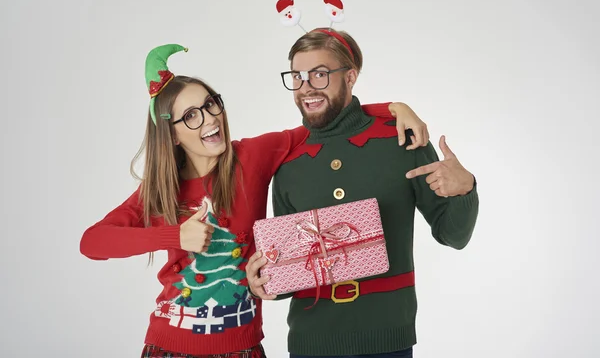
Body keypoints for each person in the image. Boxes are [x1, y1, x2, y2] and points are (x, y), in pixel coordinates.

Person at [79, 43, 432, 358]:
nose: (210, 119)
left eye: (210, 104)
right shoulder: (160, 192)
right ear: (170, 133)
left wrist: (393, 108)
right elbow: (92, 242)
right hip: (171, 347)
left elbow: (326, 120)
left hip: (243, 348)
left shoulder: (252, 157)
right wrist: (174, 236)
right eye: (190, 115)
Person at [245, 28, 480, 358]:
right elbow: (295, 263)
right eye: (297, 76)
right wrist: (266, 281)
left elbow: (453, 236)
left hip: (388, 340)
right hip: (311, 343)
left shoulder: (402, 139)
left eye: (320, 74)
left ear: (350, 76)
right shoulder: (289, 161)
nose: (305, 87)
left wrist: (465, 188)